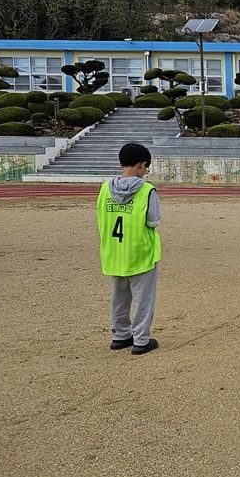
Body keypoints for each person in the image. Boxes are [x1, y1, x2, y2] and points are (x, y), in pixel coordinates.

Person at [96, 142, 161, 355]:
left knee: (119, 298)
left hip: (114, 251)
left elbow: (100, 217)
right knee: (143, 299)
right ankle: (141, 339)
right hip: (141, 251)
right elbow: (153, 221)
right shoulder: (147, 189)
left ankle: (120, 335)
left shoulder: (105, 188)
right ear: (142, 166)